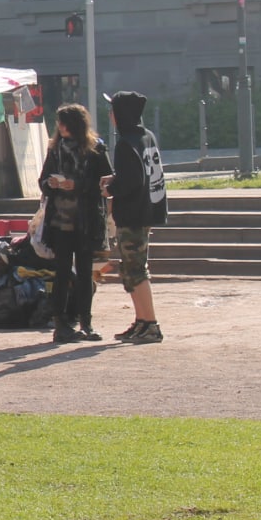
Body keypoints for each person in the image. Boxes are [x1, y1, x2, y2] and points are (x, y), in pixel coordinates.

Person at [39, 103, 114, 344]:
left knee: (84, 272)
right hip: (60, 220)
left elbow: (107, 183)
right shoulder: (54, 149)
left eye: (65, 123)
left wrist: (77, 185)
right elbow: (42, 181)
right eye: (58, 123)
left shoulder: (95, 150)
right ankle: (60, 323)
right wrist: (50, 184)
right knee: (61, 273)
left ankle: (86, 322)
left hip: (85, 219)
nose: (60, 127)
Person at [105, 91, 168, 344]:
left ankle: (150, 323)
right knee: (133, 269)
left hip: (132, 214)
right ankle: (142, 321)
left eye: (113, 110)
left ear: (121, 114)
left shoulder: (125, 142)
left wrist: (110, 188)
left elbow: (131, 181)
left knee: (136, 269)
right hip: (147, 210)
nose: (110, 115)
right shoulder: (146, 136)